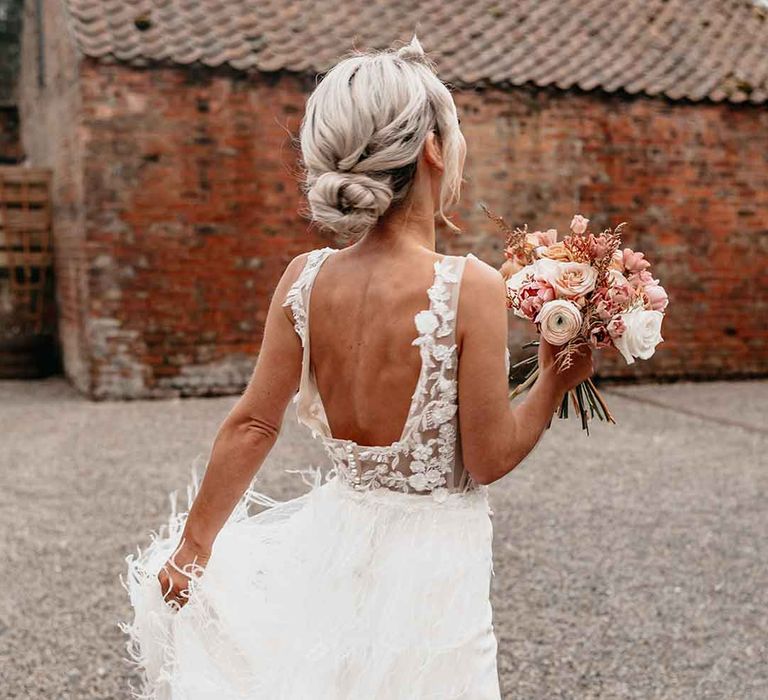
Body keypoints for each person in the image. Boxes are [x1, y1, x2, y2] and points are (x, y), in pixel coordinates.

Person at [122, 35, 593, 700]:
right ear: (433, 146)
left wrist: (194, 548)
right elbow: (488, 458)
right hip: (435, 565)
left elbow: (253, 423)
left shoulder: (304, 280)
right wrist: (552, 382)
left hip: (335, 538)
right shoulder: (472, 287)